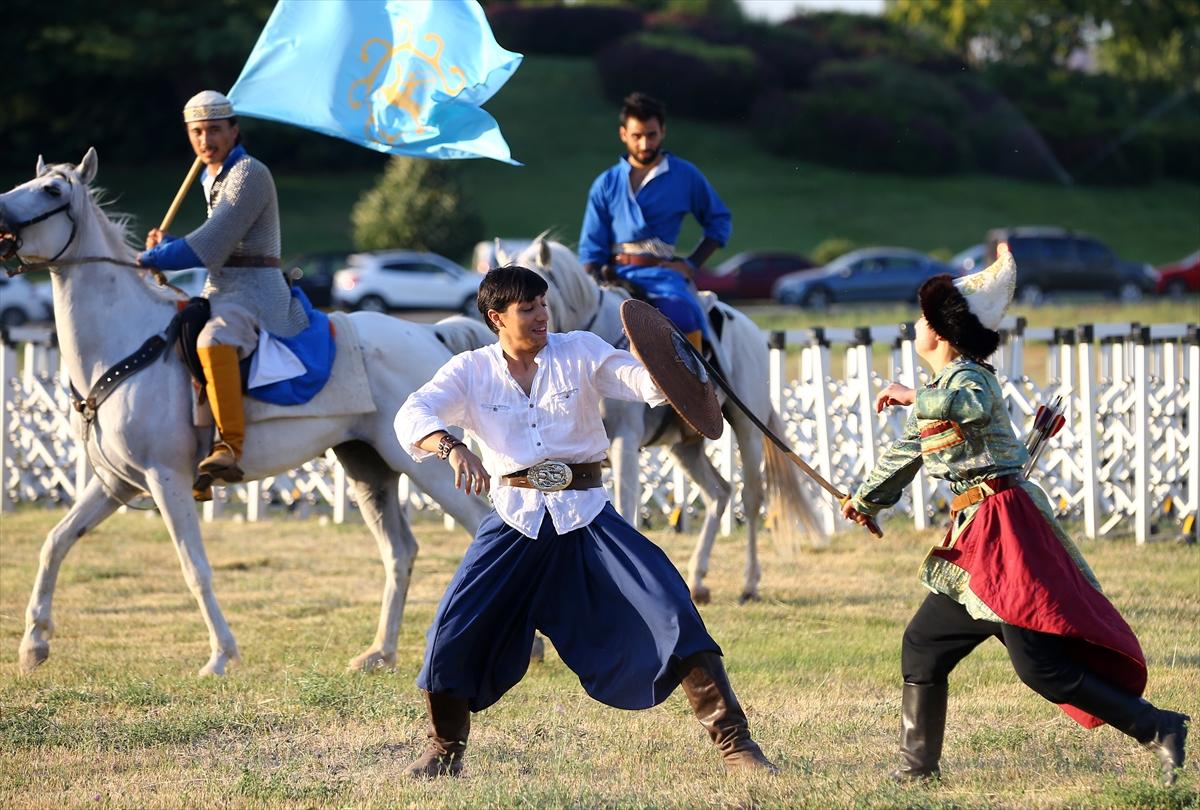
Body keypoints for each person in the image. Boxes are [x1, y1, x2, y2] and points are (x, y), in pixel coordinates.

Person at [393, 265, 776, 778]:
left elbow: (641, 385)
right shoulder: (470, 370)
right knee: (451, 629)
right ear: (496, 317)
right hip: (514, 520)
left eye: (544, 304)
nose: (542, 315)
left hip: (588, 516)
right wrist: (450, 445)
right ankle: (444, 751)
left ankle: (737, 747)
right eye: (527, 309)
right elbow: (412, 414)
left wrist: (662, 363)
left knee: (671, 606)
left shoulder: (580, 350)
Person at [841, 246, 1189, 786]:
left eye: (922, 317)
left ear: (941, 331)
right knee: (924, 645)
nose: (915, 324)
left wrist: (911, 394)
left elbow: (970, 405)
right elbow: (907, 452)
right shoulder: (940, 388)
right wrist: (864, 501)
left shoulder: (970, 379)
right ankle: (916, 771)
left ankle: (1159, 728)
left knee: (1041, 667)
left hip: (1005, 533)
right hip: (976, 540)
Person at [138, 90, 308, 488]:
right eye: (196, 131)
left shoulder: (249, 173)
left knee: (213, 341)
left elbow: (212, 244)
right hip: (222, 288)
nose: (205, 140)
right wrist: (166, 247)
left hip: (255, 292)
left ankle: (229, 448)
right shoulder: (210, 176)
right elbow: (215, 243)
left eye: (214, 130)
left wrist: (153, 258)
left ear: (234, 131)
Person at [578, 92, 731, 354]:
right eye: (637, 136)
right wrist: (593, 284)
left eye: (651, 135)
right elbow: (592, 247)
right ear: (623, 134)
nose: (645, 143)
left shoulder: (685, 175)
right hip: (614, 277)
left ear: (663, 132)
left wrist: (691, 264)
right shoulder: (606, 182)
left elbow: (719, 221)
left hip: (663, 276)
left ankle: (695, 385)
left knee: (681, 313)